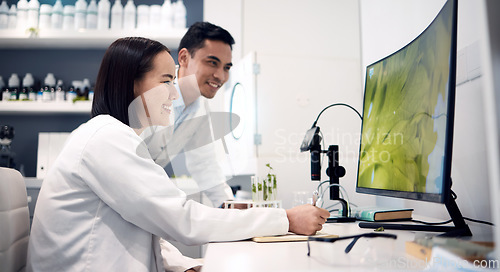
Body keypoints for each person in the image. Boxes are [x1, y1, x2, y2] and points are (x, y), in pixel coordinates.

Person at [26, 37, 330, 272]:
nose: (175, 94)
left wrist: (183, 265)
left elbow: (148, 223)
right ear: (131, 83)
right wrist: (285, 219)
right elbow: (182, 220)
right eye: (166, 82)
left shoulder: (117, 136)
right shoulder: (106, 139)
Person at [144, 22, 237, 208]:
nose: (220, 75)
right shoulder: (152, 92)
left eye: (226, 67)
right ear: (184, 58)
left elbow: (205, 165)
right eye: (212, 62)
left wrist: (232, 209)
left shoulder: (199, 109)